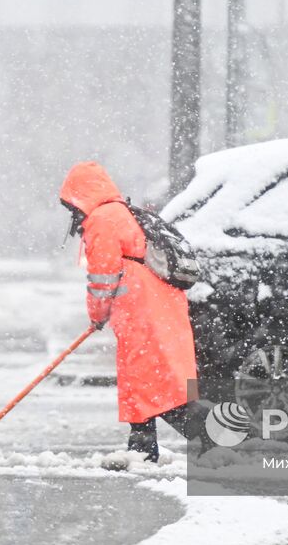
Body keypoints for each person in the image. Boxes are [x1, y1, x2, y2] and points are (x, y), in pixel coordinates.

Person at [59, 161, 209, 462]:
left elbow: (103, 276)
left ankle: (213, 435)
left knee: (154, 381)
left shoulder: (102, 220)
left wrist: (97, 314)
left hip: (142, 312)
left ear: (79, 195)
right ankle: (141, 447)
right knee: (144, 379)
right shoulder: (119, 213)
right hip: (153, 307)